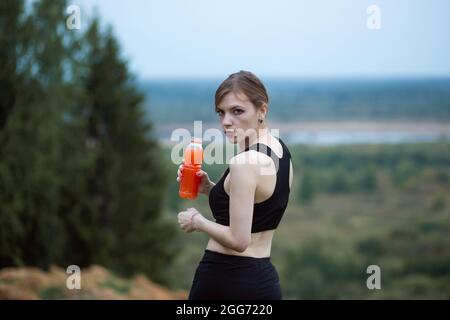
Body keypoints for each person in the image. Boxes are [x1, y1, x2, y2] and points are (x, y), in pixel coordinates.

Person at [177, 70, 294, 300]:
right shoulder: (280, 151)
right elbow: (258, 208)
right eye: (221, 113)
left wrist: (196, 221)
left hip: (225, 280)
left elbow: (239, 241)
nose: (226, 122)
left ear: (262, 110)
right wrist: (210, 188)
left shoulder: (244, 162)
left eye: (237, 111)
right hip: (264, 283)